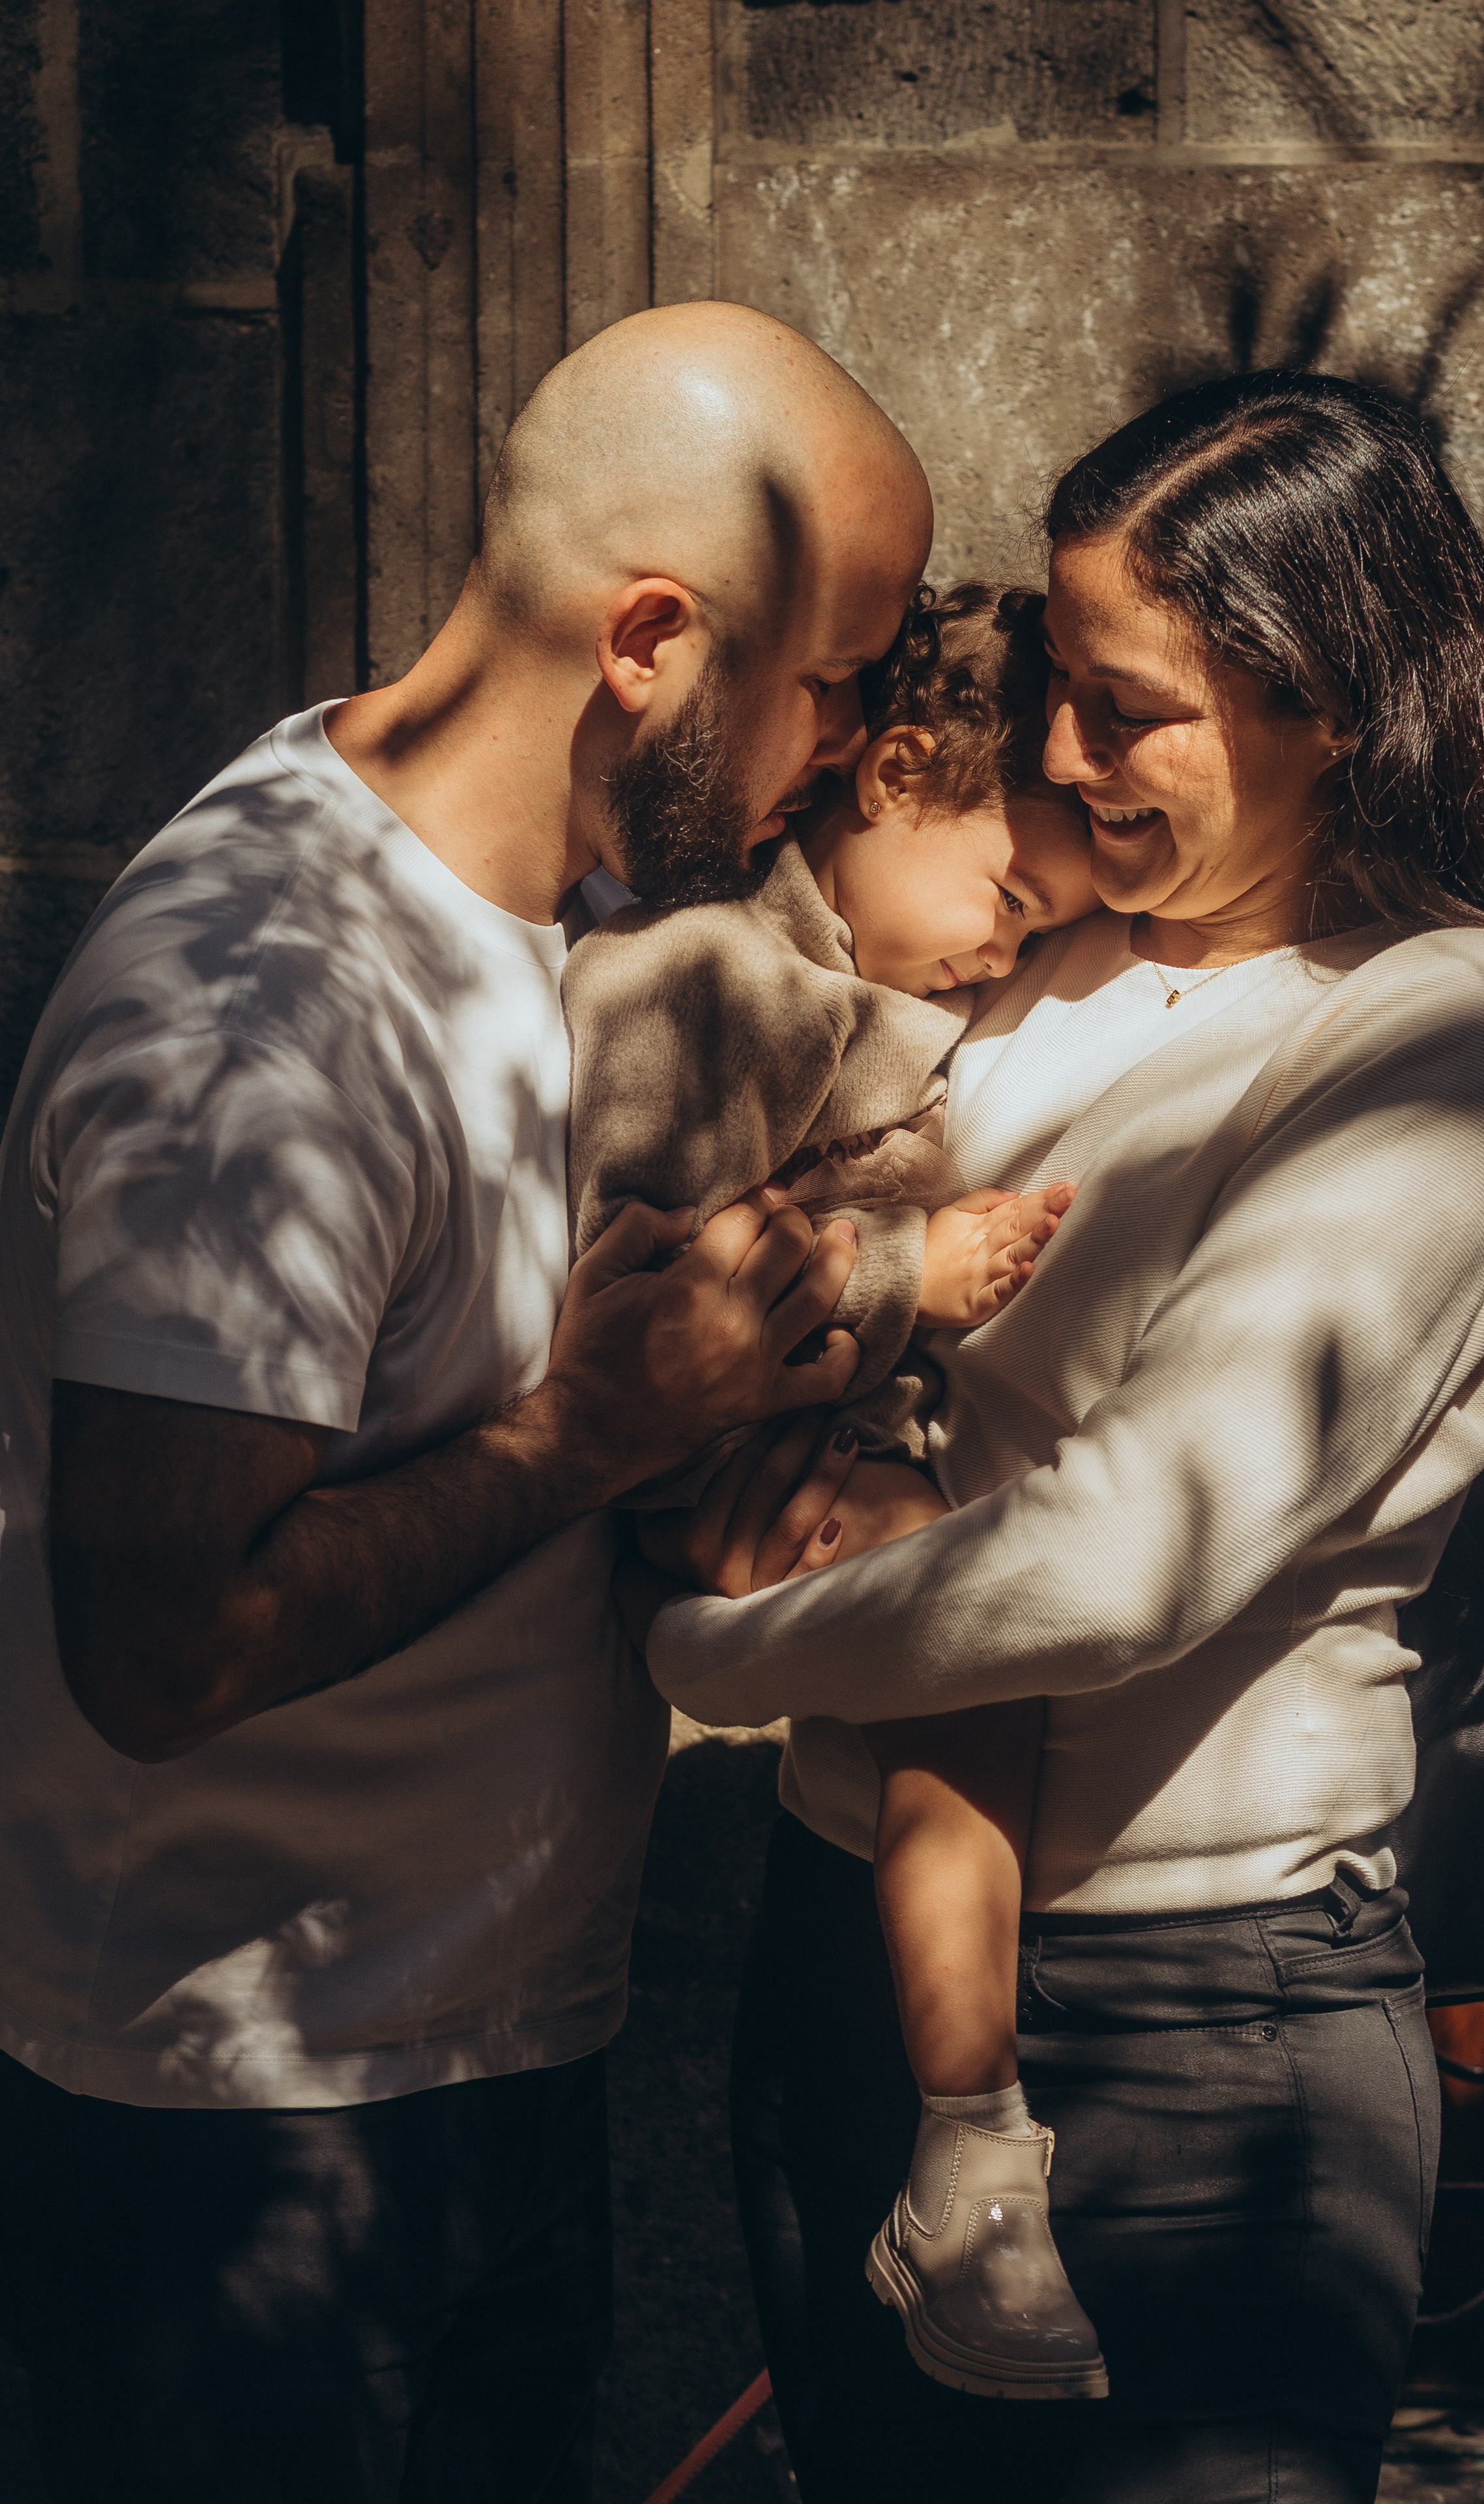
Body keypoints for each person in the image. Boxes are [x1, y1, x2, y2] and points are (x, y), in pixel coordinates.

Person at [643, 370, 1484, 2503]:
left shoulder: (1447, 1020)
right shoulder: (1042, 952)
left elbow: (1124, 1561)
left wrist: (717, 1648)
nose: (1064, 758)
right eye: (1062, 701)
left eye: (1133, 712)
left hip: (1190, 2022)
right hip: (853, 1945)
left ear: (1341, 706)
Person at [0, 301, 933, 2503]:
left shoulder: (567, 906)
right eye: (839, 678)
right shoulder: (263, 1023)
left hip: (488, 2048)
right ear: (648, 642)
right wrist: (596, 1432)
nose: (869, 741)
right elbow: (159, 1647)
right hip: (236, 2125)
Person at [571, 583, 1107, 2400]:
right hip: (690, 1455)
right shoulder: (713, 972)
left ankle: (975, 2139)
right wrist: (913, 1272)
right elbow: (634, 1287)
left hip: (799, 1444)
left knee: (979, 1667)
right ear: (885, 771)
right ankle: (971, 2141)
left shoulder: (850, 978)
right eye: (1011, 907)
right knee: (982, 1631)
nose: (996, 958)